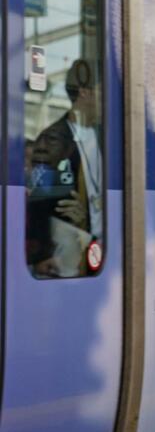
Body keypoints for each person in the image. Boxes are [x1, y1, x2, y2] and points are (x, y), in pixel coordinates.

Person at [27, 59, 102, 277]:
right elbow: (38, 203)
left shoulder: (106, 137)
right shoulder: (51, 140)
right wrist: (39, 257)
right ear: (85, 93)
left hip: (102, 251)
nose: (106, 101)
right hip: (67, 257)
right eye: (101, 92)